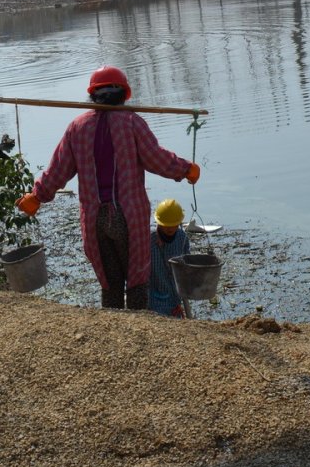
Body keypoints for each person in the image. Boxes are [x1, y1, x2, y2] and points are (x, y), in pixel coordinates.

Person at [16, 65, 199, 310]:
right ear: (124, 94)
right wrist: (185, 169)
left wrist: (37, 196)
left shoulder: (77, 127)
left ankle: (113, 325)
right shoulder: (132, 122)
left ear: (93, 95)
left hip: (94, 219)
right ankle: (138, 326)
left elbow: (59, 169)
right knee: (136, 279)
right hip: (128, 217)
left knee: (110, 283)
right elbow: (156, 159)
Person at [149, 199, 190, 317]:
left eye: (173, 225)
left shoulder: (182, 238)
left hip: (175, 295)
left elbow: (186, 264)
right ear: (159, 223)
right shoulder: (149, 240)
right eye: (166, 225)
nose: (170, 229)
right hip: (154, 293)